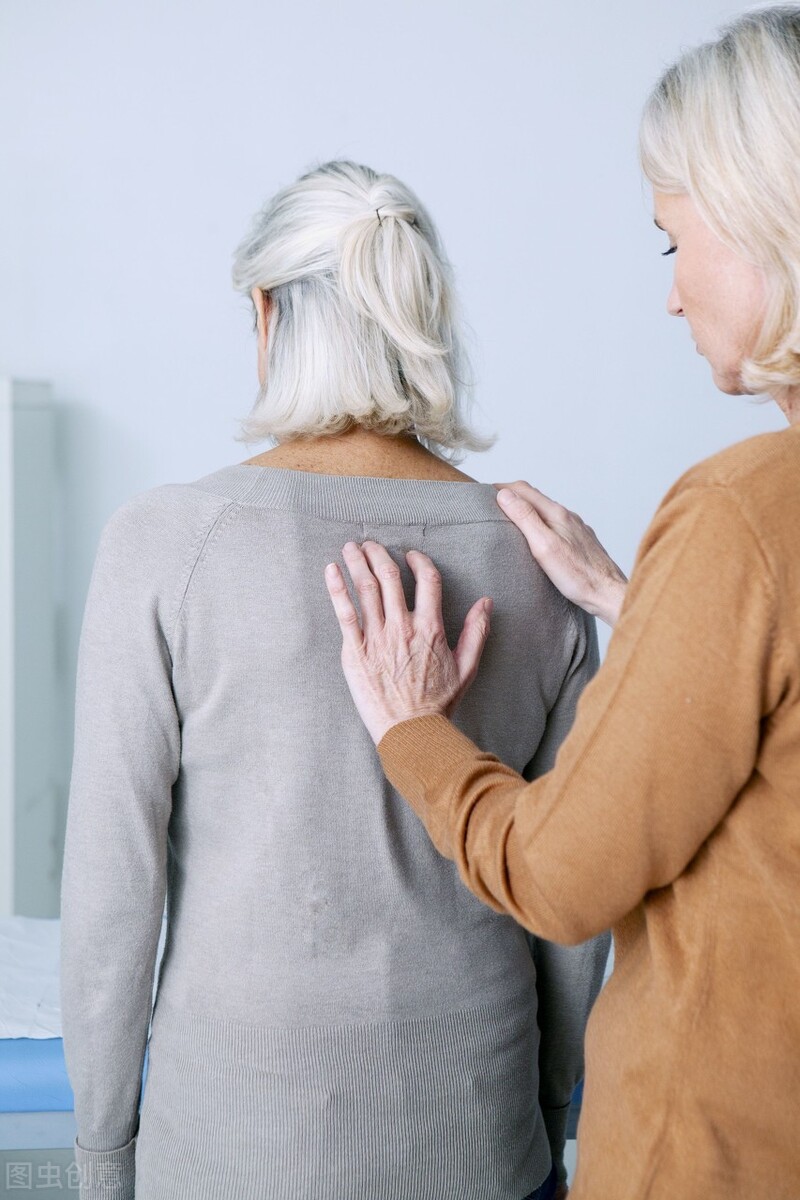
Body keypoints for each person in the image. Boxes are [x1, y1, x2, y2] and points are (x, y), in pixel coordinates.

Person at [59, 159, 610, 1200]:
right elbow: (569, 895)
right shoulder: (542, 556)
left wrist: (103, 1159)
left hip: (231, 1145)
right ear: (425, 316)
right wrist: (544, 1114)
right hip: (480, 1126)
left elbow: (111, 891)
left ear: (267, 315)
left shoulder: (167, 543)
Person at [324, 9, 800, 1200]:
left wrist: (412, 732)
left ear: (763, 221)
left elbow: (561, 878)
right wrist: (651, 613)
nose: (671, 296)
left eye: (671, 241)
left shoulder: (741, 512)